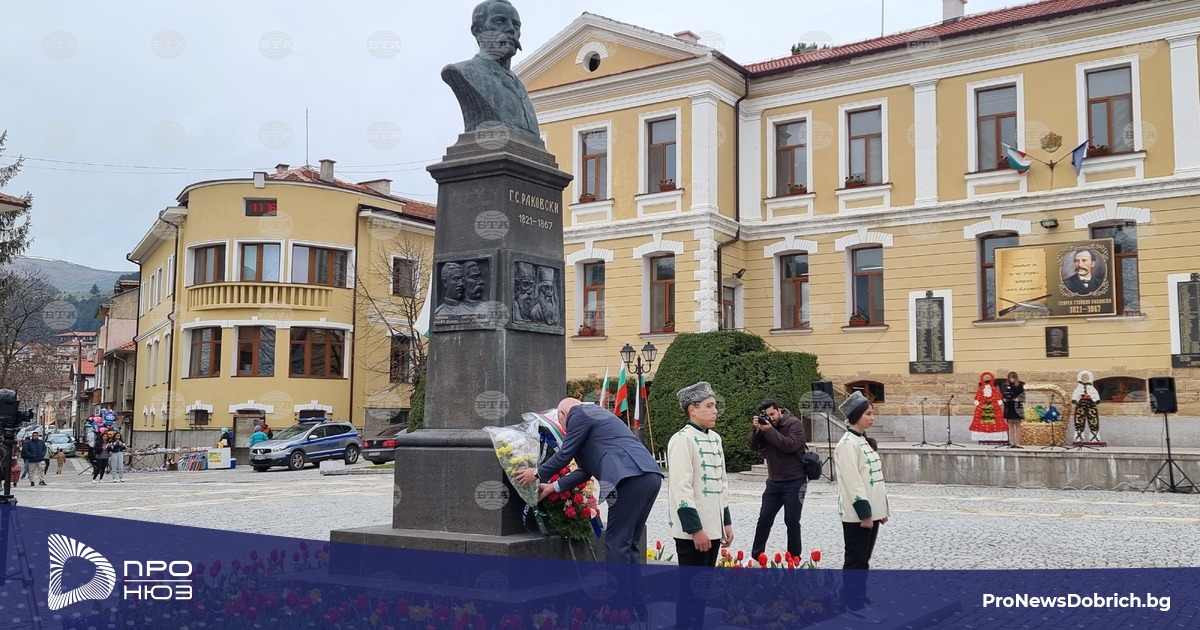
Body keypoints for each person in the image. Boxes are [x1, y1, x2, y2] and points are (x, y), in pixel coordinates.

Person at [513, 398, 663, 621]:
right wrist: (552, 487)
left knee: (617, 543)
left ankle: (620, 610)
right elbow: (585, 470)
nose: (565, 429)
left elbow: (565, 454)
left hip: (629, 478)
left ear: (563, 414)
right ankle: (637, 608)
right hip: (649, 476)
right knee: (629, 544)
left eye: (561, 423)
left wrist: (536, 473)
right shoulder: (598, 419)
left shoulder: (579, 412)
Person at [667, 382, 732, 630]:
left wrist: (726, 522)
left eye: (714, 405)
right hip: (693, 532)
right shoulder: (682, 439)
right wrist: (696, 529)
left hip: (713, 529)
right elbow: (681, 488)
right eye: (709, 405)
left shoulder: (715, 439)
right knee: (690, 593)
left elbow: (722, 484)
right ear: (692, 409)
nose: (715, 410)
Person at [441, 0, 541, 138]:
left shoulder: (520, 87)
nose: (511, 29)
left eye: (516, 25)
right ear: (477, 30)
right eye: (499, 22)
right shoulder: (463, 72)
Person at [834, 391, 890, 625]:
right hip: (857, 515)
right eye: (868, 413)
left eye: (872, 413)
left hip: (871, 513)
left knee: (864, 560)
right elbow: (853, 482)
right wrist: (865, 515)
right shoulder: (847, 444)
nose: (872, 417)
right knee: (855, 560)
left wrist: (881, 511)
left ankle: (860, 598)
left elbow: (876, 481)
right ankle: (854, 605)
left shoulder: (862, 441)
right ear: (856, 416)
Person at [748, 399, 808, 560]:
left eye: (773, 414)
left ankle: (794, 558)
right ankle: (756, 557)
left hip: (795, 480)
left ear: (779, 410)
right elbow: (753, 447)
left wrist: (769, 430)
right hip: (774, 481)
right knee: (764, 519)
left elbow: (789, 445)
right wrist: (757, 430)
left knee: (792, 521)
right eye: (767, 415)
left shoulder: (794, 424)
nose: (771, 418)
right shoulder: (766, 426)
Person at [968, 372, 1007, 443]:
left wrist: (999, 401)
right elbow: (978, 397)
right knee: (983, 422)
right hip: (983, 409)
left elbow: (998, 395)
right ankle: (983, 437)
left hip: (993, 408)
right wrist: (977, 401)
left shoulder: (994, 389)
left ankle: (995, 437)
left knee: (995, 422)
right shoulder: (981, 389)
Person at [1072, 370, 1101, 443]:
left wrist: (1095, 400)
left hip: (1091, 404)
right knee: (1079, 418)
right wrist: (1076, 400)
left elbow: (1095, 395)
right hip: (1080, 405)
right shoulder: (1079, 387)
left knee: (1093, 418)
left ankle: (1094, 436)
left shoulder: (1091, 387)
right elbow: (1076, 395)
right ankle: (1079, 435)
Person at [1001, 372, 1026, 448]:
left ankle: (1018, 443)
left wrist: (1018, 399)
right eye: (1010, 378)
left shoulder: (1019, 385)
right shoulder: (1006, 385)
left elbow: (1023, 396)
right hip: (1009, 407)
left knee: (1018, 425)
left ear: (1016, 378)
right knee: (1010, 425)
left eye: (1013, 378)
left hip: (1017, 407)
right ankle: (1012, 443)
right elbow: (1003, 395)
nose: (1012, 379)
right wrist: (1004, 399)